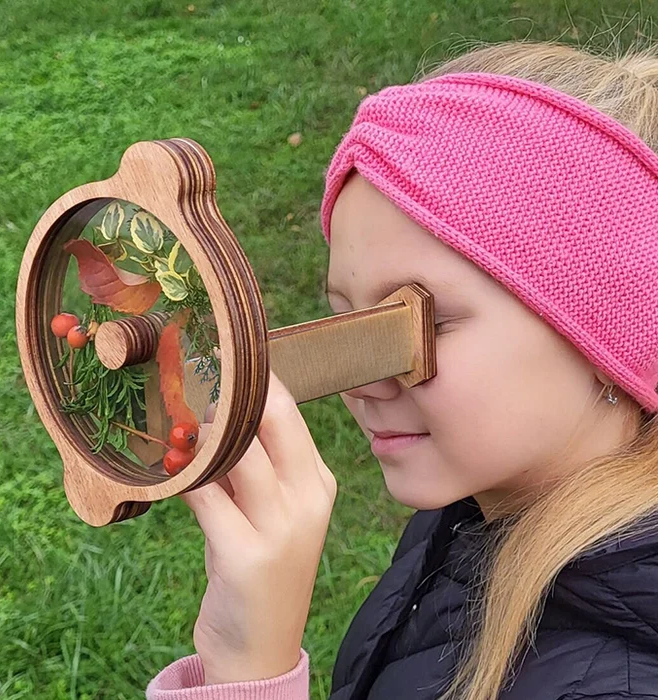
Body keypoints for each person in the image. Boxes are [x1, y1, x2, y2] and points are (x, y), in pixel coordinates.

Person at [146, 38, 658, 699]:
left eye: (428, 322)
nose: (363, 379)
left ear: (610, 333)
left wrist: (251, 670)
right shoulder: (482, 512)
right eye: (346, 318)